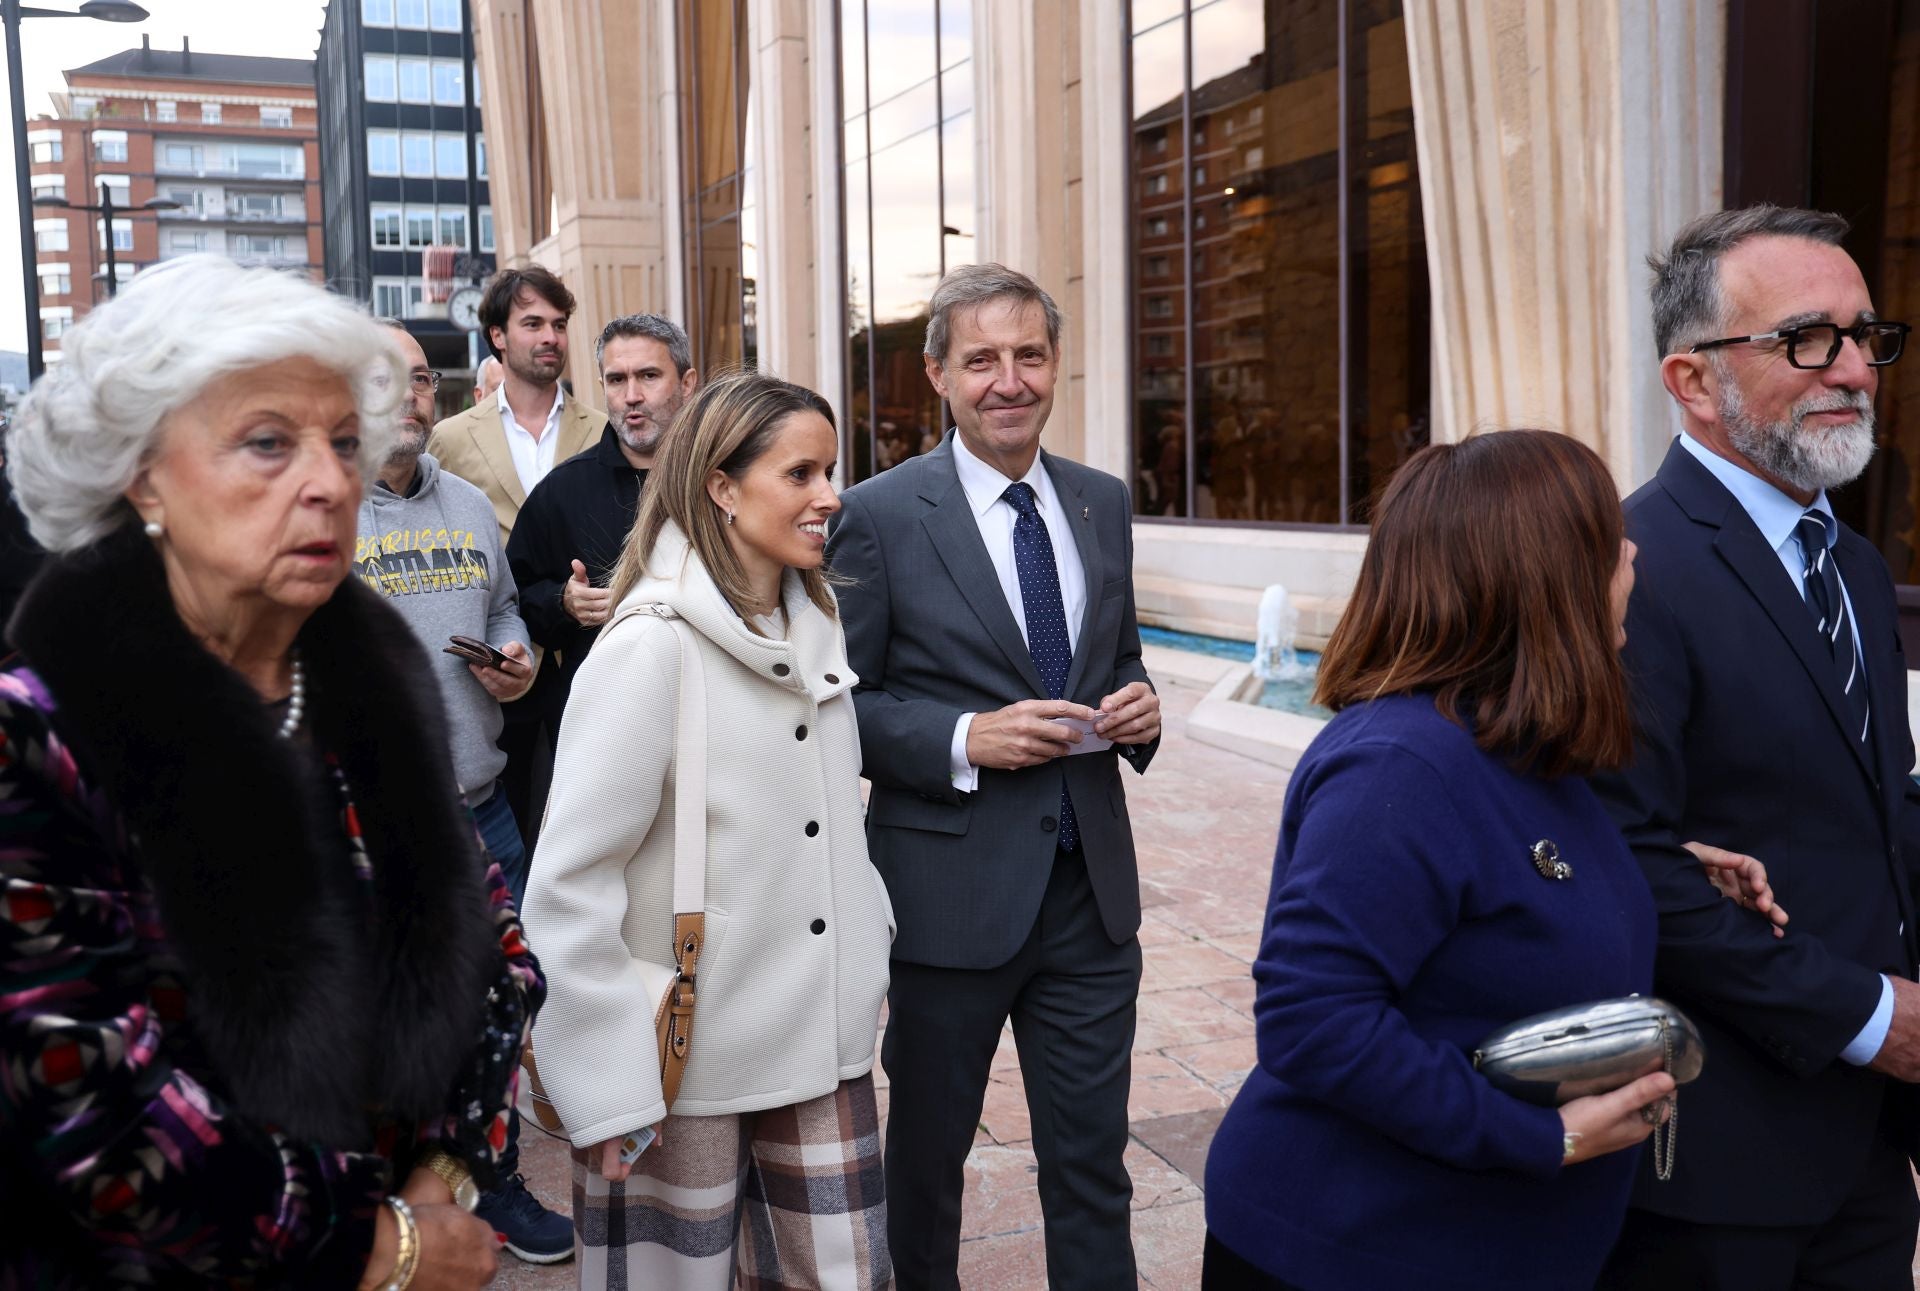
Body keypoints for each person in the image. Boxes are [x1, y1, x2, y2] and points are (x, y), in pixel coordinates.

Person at [0, 255, 542, 1288]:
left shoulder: (368, 684)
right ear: (142, 475)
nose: (331, 482)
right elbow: (81, 1094)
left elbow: (497, 949)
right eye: (267, 442)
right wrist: (370, 1246)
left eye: (343, 442)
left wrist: (443, 1171)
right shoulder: (42, 731)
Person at [1199, 429, 1694, 1290]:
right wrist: (1544, 1137)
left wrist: (1664, 868)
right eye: (1605, 537)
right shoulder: (1400, 766)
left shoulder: (1515, 744)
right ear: (1541, 577)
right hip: (1353, 1249)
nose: (1631, 553)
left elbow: (1509, 885)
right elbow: (1312, 1021)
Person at [1592, 204, 1920, 1290]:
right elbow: (1628, 860)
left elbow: (1874, 807)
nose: (1855, 371)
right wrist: (1868, 1019)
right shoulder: (1627, 569)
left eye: (1865, 336)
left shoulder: (1854, 564)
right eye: (1806, 339)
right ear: (1692, 380)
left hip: (1870, 1144)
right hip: (1715, 1160)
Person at [825, 262, 1161, 1289]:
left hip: (1090, 901)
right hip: (947, 905)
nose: (1008, 380)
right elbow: (839, 708)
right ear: (938, 374)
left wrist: (1141, 709)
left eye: (1029, 355)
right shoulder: (878, 513)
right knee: (927, 1170)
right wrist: (966, 737)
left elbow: (1120, 655)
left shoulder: (1102, 500)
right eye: (981, 360)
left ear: (1055, 364)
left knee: (1093, 1170)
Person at [522, 371, 894, 1288]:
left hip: (823, 1046)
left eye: (830, 470)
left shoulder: (815, 619)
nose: (829, 495)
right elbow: (568, 882)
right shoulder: (651, 644)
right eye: (800, 473)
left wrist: (868, 931)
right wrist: (604, 1082)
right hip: (680, 1070)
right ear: (722, 486)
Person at [357, 321, 574, 1265]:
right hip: (372, 826)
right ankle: (387, 1212)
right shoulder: (321, 511)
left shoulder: (471, 506)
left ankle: (494, 1181)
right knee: (394, 1020)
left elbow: (502, 607)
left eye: (419, 379)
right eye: (383, 379)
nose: (410, 396)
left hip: (483, 807)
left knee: (502, 1006)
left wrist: (515, 656)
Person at [428, 265, 602, 852]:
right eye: (533, 323)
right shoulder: (452, 438)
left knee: (582, 823)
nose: (550, 336)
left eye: (559, 324)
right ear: (498, 336)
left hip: (583, 658)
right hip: (493, 665)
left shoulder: (602, 432)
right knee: (508, 823)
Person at [507, 312, 698, 721]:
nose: (631, 395)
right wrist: (562, 601)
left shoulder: (724, 482)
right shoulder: (561, 492)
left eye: (648, 376)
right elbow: (513, 597)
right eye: (616, 380)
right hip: (604, 720)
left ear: (687, 383)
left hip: (711, 711)